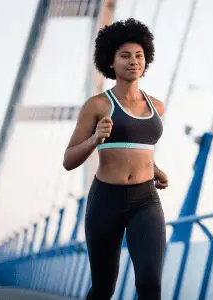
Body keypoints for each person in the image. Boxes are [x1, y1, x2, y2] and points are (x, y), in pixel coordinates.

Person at [63, 18, 168, 300]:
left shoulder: (157, 106)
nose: (134, 62)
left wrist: (155, 169)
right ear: (111, 62)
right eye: (125, 56)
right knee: (103, 288)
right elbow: (69, 159)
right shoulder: (97, 105)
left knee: (149, 284)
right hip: (106, 201)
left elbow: (137, 147)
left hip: (145, 200)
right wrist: (95, 139)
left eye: (139, 56)